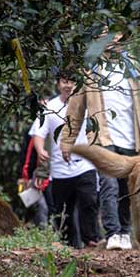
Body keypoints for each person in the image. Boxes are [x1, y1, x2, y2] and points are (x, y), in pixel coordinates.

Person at [60, 31, 140, 250]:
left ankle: (125, 232)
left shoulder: (138, 73)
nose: (113, 44)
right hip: (103, 138)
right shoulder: (89, 74)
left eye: (118, 39)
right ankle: (113, 233)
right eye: (107, 40)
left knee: (128, 188)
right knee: (108, 185)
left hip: (133, 142)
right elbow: (75, 112)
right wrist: (66, 142)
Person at [32, 74, 100, 249]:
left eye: (72, 81)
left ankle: (91, 239)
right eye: (64, 81)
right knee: (64, 210)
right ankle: (69, 245)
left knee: (89, 200)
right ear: (58, 84)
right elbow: (38, 133)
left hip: (86, 163)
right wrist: (40, 150)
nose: (68, 85)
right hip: (60, 169)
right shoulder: (50, 107)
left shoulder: (87, 104)